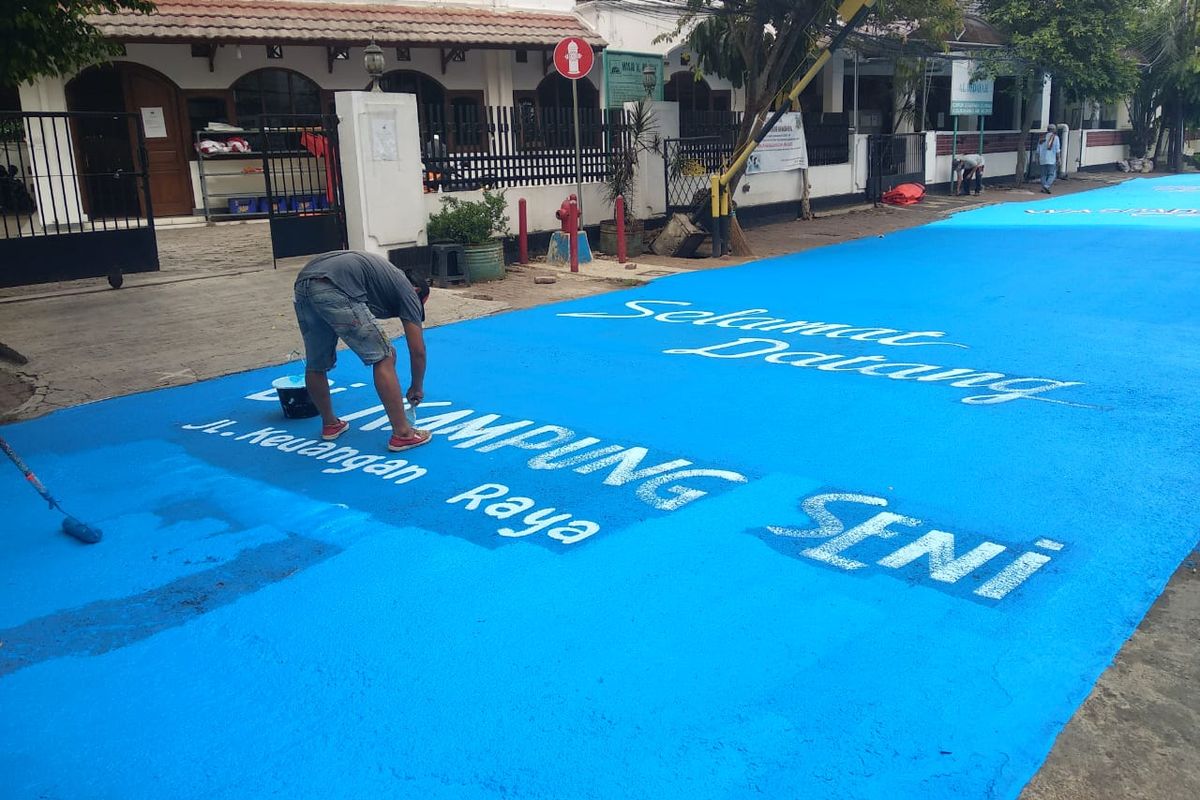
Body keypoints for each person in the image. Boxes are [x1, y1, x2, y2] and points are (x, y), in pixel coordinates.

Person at [293, 250, 431, 452]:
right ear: (417, 290)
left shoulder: (383, 278)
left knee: (316, 363)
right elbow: (417, 350)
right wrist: (416, 387)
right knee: (385, 356)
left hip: (304, 283)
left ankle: (330, 424)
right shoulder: (408, 291)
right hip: (334, 284)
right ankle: (403, 434)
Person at [1037, 124, 1061, 194]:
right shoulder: (1055, 138)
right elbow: (1057, 150)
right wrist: (1059, 159)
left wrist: (1037, 159)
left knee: (1043, 174)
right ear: (1054, 130)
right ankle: (1046, 186)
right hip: (1051, 159)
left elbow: (1037, 150)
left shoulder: (1041, 137)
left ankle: (1044, 187)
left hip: (1042, 159)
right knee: (1052, 174)